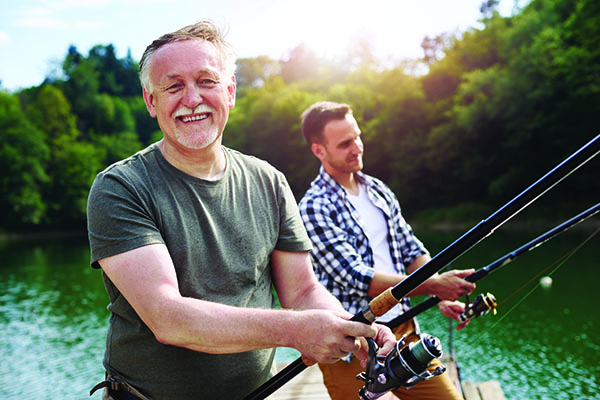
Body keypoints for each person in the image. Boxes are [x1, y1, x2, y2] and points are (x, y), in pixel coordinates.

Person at [86, 22, 395, 400]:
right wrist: (299, 331)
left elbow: (302, 292)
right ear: (151, 102)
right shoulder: (120, 188)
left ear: (230, 91)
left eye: (206, 81)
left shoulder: (270, 181)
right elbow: (169, 319)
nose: (192, 98)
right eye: (173, 86)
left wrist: (347, 325)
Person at [298, 101, 477, 400]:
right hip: (350, 344)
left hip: (403, 330)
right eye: (345, 144)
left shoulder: (379, 190)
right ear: (319, 150)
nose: (357, 147)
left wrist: (438, 294)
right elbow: (357, 277)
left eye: (357, 137)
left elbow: (410, 249)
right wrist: (435, 286)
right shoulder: (314, 207)